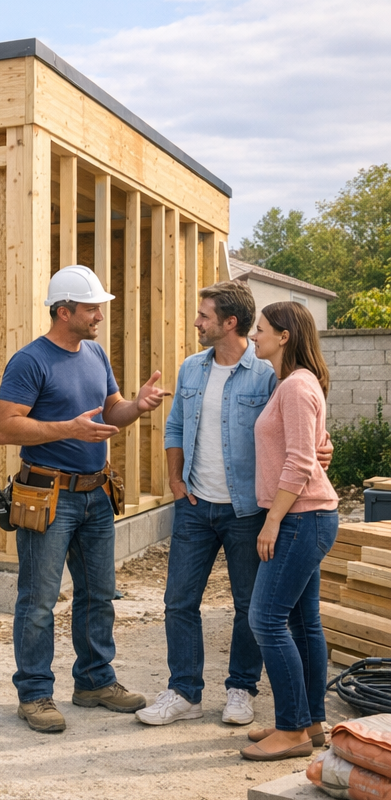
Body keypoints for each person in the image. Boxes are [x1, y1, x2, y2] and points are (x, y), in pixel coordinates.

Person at [0, 264, 170, 734]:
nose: (99, 315)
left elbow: (112, 411)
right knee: (38, 601)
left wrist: (137, 405)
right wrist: (66, 428)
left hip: (95, 494)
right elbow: (5, 427)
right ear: (63, 310)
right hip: (49, 495)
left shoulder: (94, 353)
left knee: (98, 595)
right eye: (91, 308)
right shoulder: (29, 361)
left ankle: (94, 681)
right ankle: (34, 694)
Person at [137, 282, 275, 728]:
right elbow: (175, 426)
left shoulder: (266, 374)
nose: (196, 322)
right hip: (195, 506)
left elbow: (291, 426)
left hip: (246, 509)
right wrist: (175, 480)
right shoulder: (192, 368)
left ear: (229, 322)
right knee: (179, 602)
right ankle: (184, 692)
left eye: (203, 315)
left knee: (247, 604)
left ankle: (240, 688)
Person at [240, 302, 339, 761]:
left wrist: (273, 520)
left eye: (259, 330)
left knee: (265, 620)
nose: (253, 336)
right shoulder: (294, 385)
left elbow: (301, 461)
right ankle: (312, 721)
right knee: (302, 623)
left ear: (283, 336)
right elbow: (312, 448)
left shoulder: (297, 386)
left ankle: (293, 728)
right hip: (307, 515)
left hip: (301, 518)